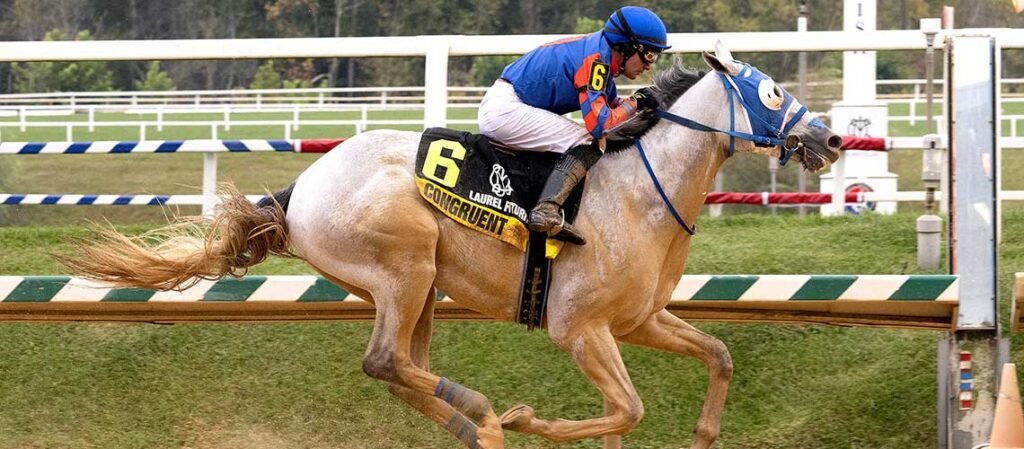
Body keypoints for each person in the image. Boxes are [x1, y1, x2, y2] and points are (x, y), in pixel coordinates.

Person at [477, 6, 670, 245]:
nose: (650, 65)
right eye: (649, 55)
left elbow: (613, 108)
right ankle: (546, 210)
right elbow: (600, 125)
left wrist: (639, 104)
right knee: (589, 141)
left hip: (509, 105)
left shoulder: (600, 55)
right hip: (506, 110)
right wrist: (636, 102)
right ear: (628, 47)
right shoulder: (596, 62)